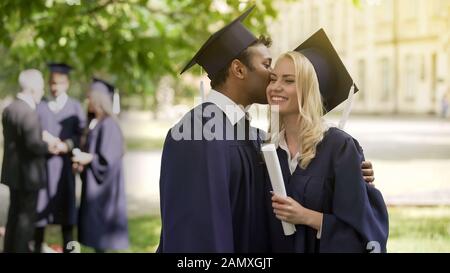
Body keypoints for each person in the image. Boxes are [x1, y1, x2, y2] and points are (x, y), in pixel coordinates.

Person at [158, 7, 375, 253]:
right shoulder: (197, 134)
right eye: (267, 65)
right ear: (239, 70)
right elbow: (194, 237)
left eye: (287, 78)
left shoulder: (254, 136)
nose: (273, 76)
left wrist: (350, 173)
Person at [266, 29, 389, 253]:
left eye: (288, 80)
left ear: (310, 90)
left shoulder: (339, 148)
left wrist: (307, 217)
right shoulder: (267, 149)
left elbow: (361, 233)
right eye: (273, 78)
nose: (275, 87)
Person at [1, 69, 58, 252]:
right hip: (28, 176)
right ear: (33, 88)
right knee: (25, 222)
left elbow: (18, 140)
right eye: (41, 87)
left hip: (13, 173)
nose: (43, 91)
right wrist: (49, 145)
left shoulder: (10, 109)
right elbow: (33, 145)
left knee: (13, 217)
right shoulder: (29, 112)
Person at [72, 78, 129, 253]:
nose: (87, 101)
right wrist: (81, 164)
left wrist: (87, 158)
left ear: (98, 100)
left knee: (101, 235)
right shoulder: (94, 122)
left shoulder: (109, 124)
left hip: (104, 189)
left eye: (89, 97)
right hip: (93, 184)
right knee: (95, 234)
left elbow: (108, 159)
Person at [34, 63, 86, 253]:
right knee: (39, 217)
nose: (55, 88)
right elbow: (34, 132)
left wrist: (67, 145)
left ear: (67, 83)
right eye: (52, 84)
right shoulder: (40, 107)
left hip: (64, 168)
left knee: (67, 216)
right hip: (44, 167)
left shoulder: (75, 107)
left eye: (59, 83)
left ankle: (69, 250)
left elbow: (81, 135)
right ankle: (37, 248)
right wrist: (46, 144)